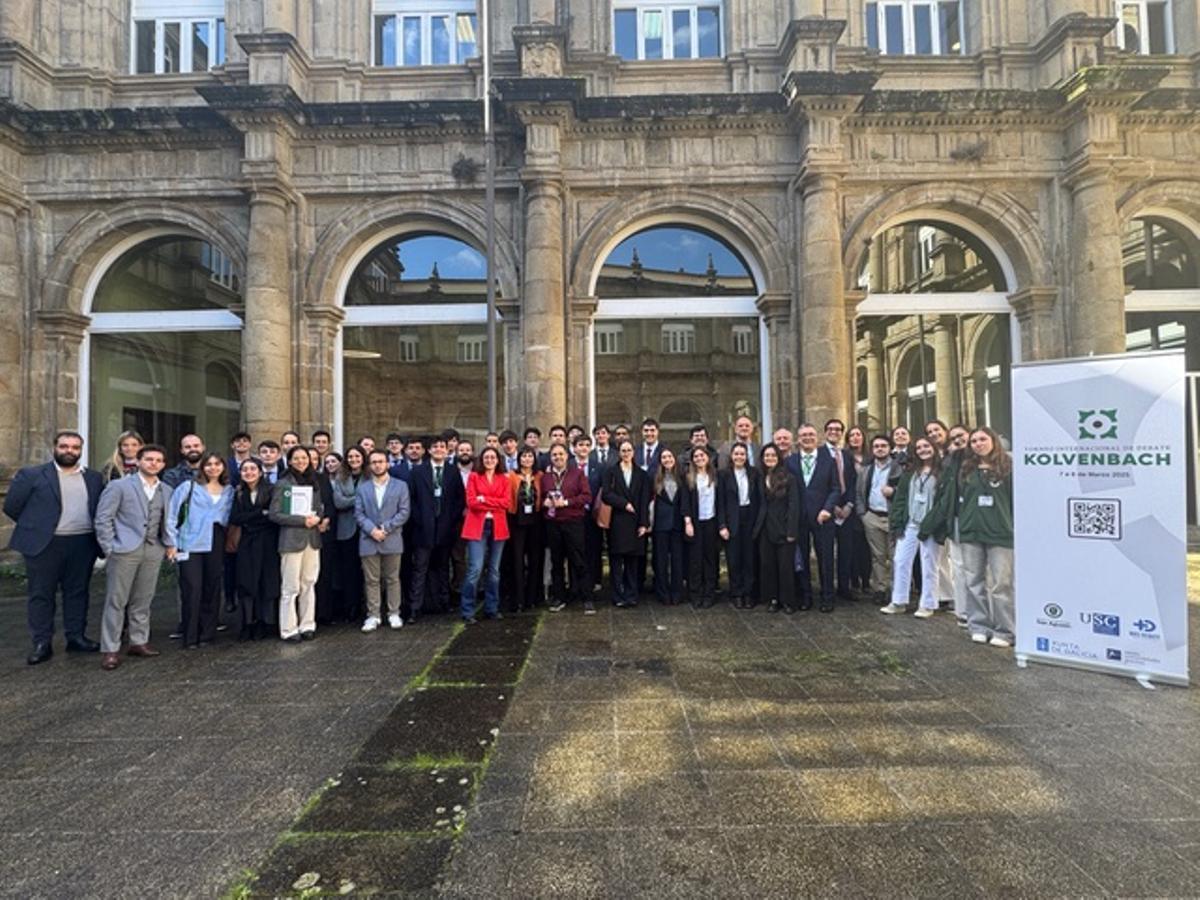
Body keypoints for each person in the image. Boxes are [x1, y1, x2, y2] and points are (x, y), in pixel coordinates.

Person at [5, 431, 105, 664]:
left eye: (75, 447)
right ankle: (42, 642)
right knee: (41, 594)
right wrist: (37, 528)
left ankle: (76, 637)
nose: (69, 451)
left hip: (83, 543)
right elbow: (12, 506)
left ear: (81, 450)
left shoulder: (93, 478)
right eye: (64, 446)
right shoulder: (32, 475)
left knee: (78, 592)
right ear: (55, 447)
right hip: (45, 544)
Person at [94, 444, 175, 670]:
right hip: (124, 550)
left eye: (158, 460)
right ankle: (110, 648)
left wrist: (167, 544)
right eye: (149, 459)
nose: (153, 463)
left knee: (143, 598)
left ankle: (138, 641)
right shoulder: (119, 486)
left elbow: (166, 520)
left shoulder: (166, 490)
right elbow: (103, 518)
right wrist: (110, 547)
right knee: (117, 600)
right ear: (138, 461)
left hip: (153, 549)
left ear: (163, 465)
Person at [166, 452, 233, 649]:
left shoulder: (229, 490)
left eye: (217, 464)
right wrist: (171, 542)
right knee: (192, 588)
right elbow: (171, 515)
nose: (213, 468)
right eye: (209, 464)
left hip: (217, 540)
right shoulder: (189, 487)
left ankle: (207, 633)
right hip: (190, 541)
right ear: (202, 467)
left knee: (212, 588)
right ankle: (190, 634)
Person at [956, 427, 1015, 647]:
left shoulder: (1008, 467)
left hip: (1001, 532)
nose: (978, 443)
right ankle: (979, 625)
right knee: (973, 581)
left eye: (983, 439)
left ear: (993, 440)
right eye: (974, 441)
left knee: (1001, 583)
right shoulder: (967, 469)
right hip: (972, 531)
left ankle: (1005, 630)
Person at [881, 437, 942, 618]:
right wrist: (897, 523)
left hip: (930, 524)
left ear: (934, 448)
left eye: (926, 446)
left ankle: (928, 604)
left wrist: (934, 523)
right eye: (919, 447)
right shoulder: (910, 472)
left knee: (929, 563)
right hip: (911, 523)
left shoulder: (942, 472)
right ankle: (898, 601)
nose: (923, 450)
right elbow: (900, 499)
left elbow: (943, 501)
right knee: (900, 560)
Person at [270, 446, 325, 642]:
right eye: (297, 458)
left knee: (309, 583)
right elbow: (275, 514)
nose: (301, 461)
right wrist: (302, 521)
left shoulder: (314, 481)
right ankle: (288, 628)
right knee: (290, 587)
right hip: (291, 540)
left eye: (305, 458)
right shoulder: (282, 484)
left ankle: (307, 624)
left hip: (312, 540)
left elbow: (319, 508)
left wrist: (319, 518)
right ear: (290, 461)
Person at [408, 435, 466, 620]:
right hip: (423, 529)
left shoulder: (452, 471)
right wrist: (420, 520)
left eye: (442, 446)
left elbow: (459, 499)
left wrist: (450, 520)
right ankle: (414, 608)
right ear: (429, 450)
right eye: (435, 447)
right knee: (420, 568)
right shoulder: (418, 472)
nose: (439, 449)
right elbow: (412, 499)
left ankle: (444, 602)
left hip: (445, 528)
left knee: (443, 567)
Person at [356, 449, 411, 632]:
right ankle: (373, 615)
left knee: (392, 578)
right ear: (370, 465)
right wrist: (372, 530)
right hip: (369, 539)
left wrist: (385, 528)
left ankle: (393, 612)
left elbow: (404, 511)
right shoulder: (363, 487)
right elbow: (359, 513)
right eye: (374, 462)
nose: (377, 465)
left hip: (392, 538)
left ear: (387, 464)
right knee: (371, 580)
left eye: (381, 461)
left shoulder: (400, 486)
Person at [788, 424, 841, 612]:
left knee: (825, 558)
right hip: (800, 518)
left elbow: (836, 488)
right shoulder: (791, 461)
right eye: (803, 435)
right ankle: (806, 596)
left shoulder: (828, 460)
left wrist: (828, 508)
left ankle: (827, 597)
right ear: (798, 439)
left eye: (811, 434)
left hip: (823, 517)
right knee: (801, 559)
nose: (807, 438)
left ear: (817, 437)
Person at [228, 458, 280, 640]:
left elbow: (273, 517)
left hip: (267, 543)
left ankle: (265, 623)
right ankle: (247, 624)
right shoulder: (239, 493)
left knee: (266, 583)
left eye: (252, 469)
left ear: (260, 471)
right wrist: (259, 513)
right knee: (246, 583)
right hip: (247, 543)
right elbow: (235, 517)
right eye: (244, 470)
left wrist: (251, 517)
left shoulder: (271, 490)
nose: (249, 472)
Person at [460, 447, 512, 624]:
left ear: (498, 460)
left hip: (498, 526)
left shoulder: (503, 479)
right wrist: (489, 502)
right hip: (477, 527)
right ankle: (467, 610)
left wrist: (485, 499)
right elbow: (472, 503)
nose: (490, 460)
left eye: (493, 457)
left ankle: (492, 608)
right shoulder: (474, 477)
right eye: (486, 457)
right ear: (481, 460)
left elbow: (506, 503)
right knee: (475, 568)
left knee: (494, 571)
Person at [541, 442, 592, 613]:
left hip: (573, 522)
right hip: (553, 524)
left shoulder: (577, 474)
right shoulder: (546, 477)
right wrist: (544, 502)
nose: (558, 457)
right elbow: (540, 497)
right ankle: (559, 597)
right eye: (554, 455)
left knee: (579, 560)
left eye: (561, 454)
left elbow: (586, 496)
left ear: (567, 456)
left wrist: (567, 502)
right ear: (551, 457)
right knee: (557, 562)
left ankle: (586, 598)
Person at [603, 439, 650, 610]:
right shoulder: (611, 472)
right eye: (623, 450)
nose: (626, 453)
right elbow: (606, 495)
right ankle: (618, 595)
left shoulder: (642, 474)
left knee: (632, 561)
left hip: (636, 522)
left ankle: (631, 595)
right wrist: (624, 503)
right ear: (619, 453)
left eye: (629, 450)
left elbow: (645, 500)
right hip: (618, 521)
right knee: (616, 561)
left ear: (634, 452)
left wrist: (644, 523)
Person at [754, 443, 801, 613]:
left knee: (785, 567)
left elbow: (794, 505)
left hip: (783, 528)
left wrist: (791, 531)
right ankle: (773, 599)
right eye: (766, 456)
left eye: (773, 455)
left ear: (779, 458)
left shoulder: (789, 478)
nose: (770, 458)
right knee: (768, 566)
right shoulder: (759, 477)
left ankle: (788, 601)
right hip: (765, 529)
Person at [856, 434, 901, 604]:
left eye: (883, 445)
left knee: (896, 556)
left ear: (890, 448)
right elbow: (859, 493)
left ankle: (897, 590)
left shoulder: (899, 468)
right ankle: (880, 590)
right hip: (872, 517)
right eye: (876, 446)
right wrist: (863, 515)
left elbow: (905, 492)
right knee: (878, 556)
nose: (880, 448)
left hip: (893, 517)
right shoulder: (866, 470)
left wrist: (894, 492)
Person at [718, 442, 760, 608]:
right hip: (731, 520)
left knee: (749, 559)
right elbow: (720, 502)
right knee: (733, 559)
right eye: (736, 454)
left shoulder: (754, 473)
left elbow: (758, 498)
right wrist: (722, 525)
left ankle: (748, 593)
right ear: (731, 456)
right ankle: (736, 593)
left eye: (742, 454)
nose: (739, 457)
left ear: (746, 456)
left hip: (749, 517)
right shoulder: (724, 475)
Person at [328, 447, 365, 623]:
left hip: (366, 529)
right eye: (350, 456)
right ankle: (351, 607)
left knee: (367, 571)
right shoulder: (340, 477)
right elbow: (338, 502)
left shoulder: (370, 476)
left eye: (357, 456)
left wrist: (353, 499)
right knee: (348, 571)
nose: (353, 459)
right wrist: (360, 498)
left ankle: (365, 606)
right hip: (346, 530)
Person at [649, 447, 690, 606]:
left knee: (677, 561)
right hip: (660, 525)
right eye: (664, 457)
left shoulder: (682, 477)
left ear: (674, 459)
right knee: (660, 561)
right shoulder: (655, 478)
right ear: (660, 461)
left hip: (677, 524)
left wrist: (686, 521)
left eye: (669, 456)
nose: (667, 460)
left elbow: (685, 500)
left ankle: (677, 593)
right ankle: (663, 593)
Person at [823, 419, 858, 602]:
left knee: (846, 551)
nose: (834, 432)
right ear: (825, 432)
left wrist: (849, 505)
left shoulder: (846, 455)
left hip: (846, 510)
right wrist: (832, 506)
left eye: (838, 429)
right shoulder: (819, 454)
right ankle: (827, 588)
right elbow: (819, 485)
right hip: (828, 509)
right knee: (827, 552)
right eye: (830, 429)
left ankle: (844, 588)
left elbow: (852, 482)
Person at [505, 447, 544, 612]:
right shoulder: (511, 476)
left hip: (536, 521)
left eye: (530, 456)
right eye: (524, 456)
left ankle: (532, 598)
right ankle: (518, 598)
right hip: (517, 521)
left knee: (535, 560)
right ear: (519, 459)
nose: (527, 459)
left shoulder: (540, 476)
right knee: (517, 560)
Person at [686, 444, 721, 608]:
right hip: (695, 522)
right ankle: (695, 594)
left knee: (710, 559)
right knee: (695, 560)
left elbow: (721, 502)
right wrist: (688, 522)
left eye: (702, 456)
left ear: (708, 457)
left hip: (711, 522)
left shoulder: (716, 476)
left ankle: (709, 593)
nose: (699, 459)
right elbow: (685, 503)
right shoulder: (688, 477)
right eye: (696, 456)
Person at [574, 434, 604, 594]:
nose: (583, 448)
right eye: (580, 445)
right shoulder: (569, 465)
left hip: (593, 514)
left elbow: (601, 489)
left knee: (594, 547)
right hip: (573, 514)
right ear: (574, 448)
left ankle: (594, 580)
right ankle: (577, 582)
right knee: (576, 548)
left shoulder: (598, 466)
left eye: (587, 445)